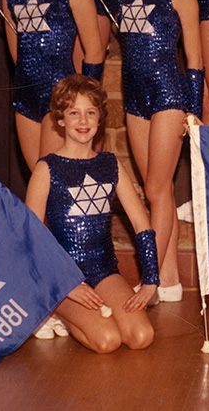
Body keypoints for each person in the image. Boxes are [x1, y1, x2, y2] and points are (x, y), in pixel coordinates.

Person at [25, 75, 158, 353]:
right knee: (107, 341)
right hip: (62, 276)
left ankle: (87, 307)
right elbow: (32, 237)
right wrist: (65, 285)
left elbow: (140, 223)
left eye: (90, 113)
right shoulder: (46, 169)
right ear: (60, 119)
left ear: (100, 120)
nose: (83, 121)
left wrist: (150, 280)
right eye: (74, 113)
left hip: (103, 270)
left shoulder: (110, 164)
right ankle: (53, 309)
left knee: (141, 336)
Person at [118, 0, 204, 303]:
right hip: (134, 96)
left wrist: (194, 110)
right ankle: (169, 279)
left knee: (153, 188)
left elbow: (195, 59)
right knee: (160, 189)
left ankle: (149, 281)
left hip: (169, 94)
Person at [1, 0, 104, 172]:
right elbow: (16, 52)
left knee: (52, 177)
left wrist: (83, 100)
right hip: (26, 95)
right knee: (37, 179)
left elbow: (94, 52)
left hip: (60, 96)